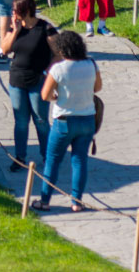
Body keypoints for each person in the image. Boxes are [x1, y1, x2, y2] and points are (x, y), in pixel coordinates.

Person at [32, 31, 102, 213]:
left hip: (64, 120)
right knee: (79, 161)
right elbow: (98, 87)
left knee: (53, 161)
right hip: (87, 119)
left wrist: (55, 97)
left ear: (62, 49)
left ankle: (45, 201)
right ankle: (76, 202)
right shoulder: (91, 64)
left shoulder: (58, 69)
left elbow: (45, 95)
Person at [0, 0, 56, 170]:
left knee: (41, 120)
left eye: (15, 10)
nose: (13, 13)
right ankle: (20, 157)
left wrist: (48, 72)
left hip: (38, 81)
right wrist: (15, 31)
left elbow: (59, 54)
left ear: (26, 10)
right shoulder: (15, 28)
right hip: (17, 80)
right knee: (21, 121)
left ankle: (47, 157)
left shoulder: (45, 28)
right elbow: (4, 50)